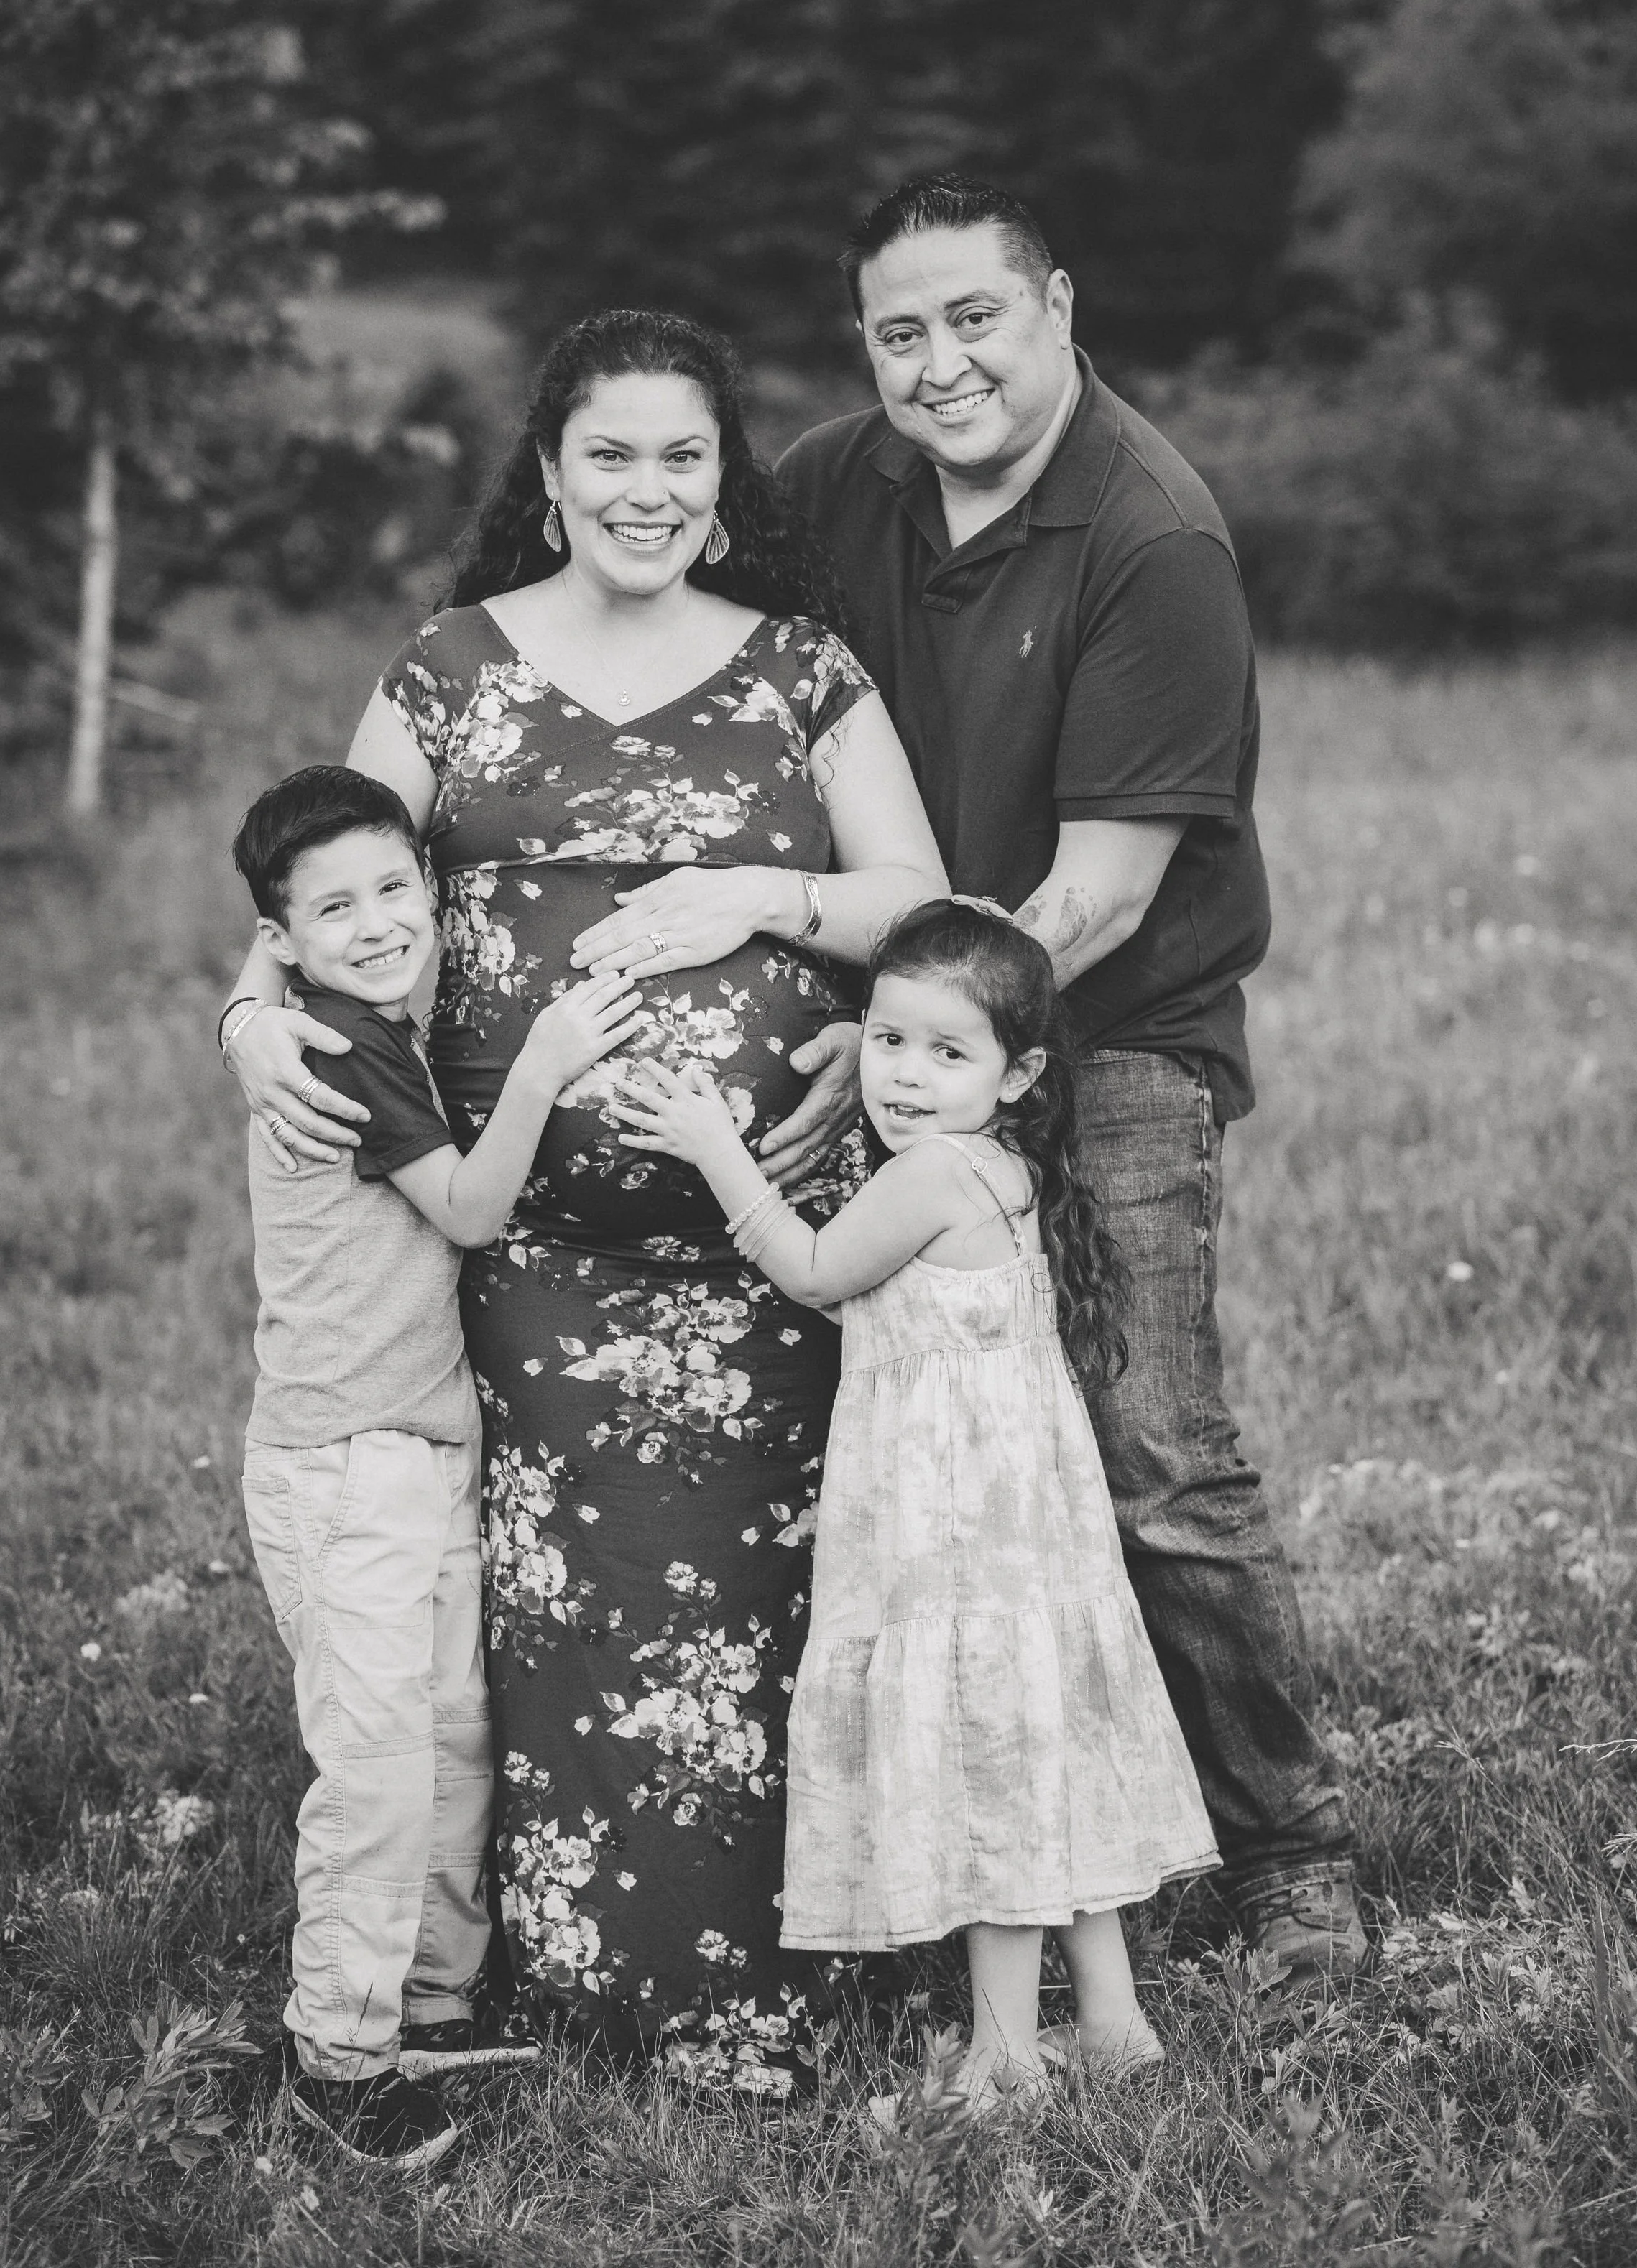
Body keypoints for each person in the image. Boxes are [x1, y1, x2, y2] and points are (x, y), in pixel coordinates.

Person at [221, 310, 949, 2093]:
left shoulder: (800, 669)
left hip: (773, 1237)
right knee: (563, 1610)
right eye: (609, 454)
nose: (646, 487)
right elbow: (319, 875)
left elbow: (921, 901)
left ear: (723, 487)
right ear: (549, 476)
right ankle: (568, 1980)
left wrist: (760, 898)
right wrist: (247, 1009)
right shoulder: (450, 666)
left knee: (772, 1608)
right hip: (527, 1252)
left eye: (682, 456)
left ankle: (805, 1971)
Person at [771, 174, 1366, 1997]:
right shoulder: (820, 490)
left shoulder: (1150, 531)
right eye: (898, 332)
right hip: (895, 1035)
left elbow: (1097, 895)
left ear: (1058, 309)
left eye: (976, 319)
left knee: (1148, 1455)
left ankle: (1286, 1856)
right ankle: (927, 1840)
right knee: (894, 1448)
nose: (938, 365)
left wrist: (923, 1044)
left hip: (1109, 1036)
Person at [614, 899, 1218, 2103]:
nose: (907, 1075)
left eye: (951, 1054)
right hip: (1022, 1535)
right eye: (889, 1041)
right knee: (1044, 1767)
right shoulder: (999, 1166)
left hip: (960, 1537)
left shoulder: (935, 1175)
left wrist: (708, 1142)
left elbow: (818, 1270)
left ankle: (1001, 2064)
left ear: (1017, 1074)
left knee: (989, 1770)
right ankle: (1113, 2024)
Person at [230, 764, 645, 2170]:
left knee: (456, 1738)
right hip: (346, 1462)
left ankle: (430, 2002)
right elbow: (470, 1206)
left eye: (395, 889)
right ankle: (336, 2059)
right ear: (280, 938)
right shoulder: (339, 1052)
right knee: (380, 1771)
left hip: (415, 1449)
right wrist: (545, 1059)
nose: (374, 922)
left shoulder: (371, 1030)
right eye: (332, 907)